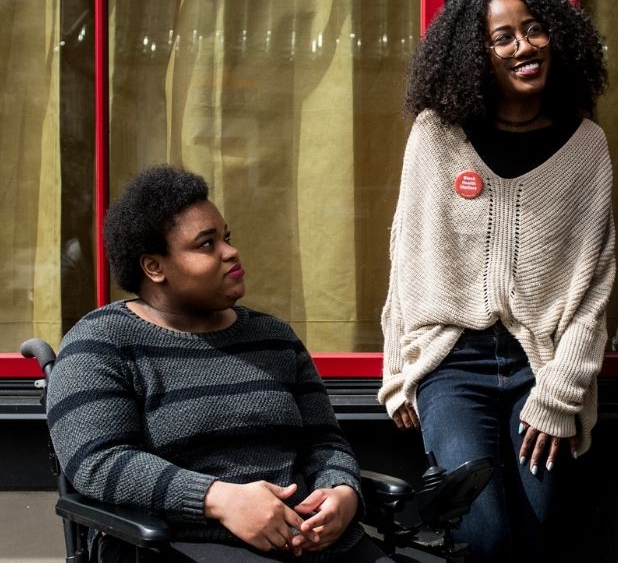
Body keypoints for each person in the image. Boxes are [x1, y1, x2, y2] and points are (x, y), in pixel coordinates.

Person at [378, 0, 616, 562]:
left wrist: (559, 395)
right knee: (484, 534)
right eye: (501, 37)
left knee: (540, 529)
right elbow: (405, 254)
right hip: (450, 365)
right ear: (474, 55)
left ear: (558, 40)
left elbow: (595, 288)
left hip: (542, 367)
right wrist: (398, 367)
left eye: (534, 30)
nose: (523, 47)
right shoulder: (436, 136)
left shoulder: (586, 147)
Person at [46, 165, 392, 563]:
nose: (230, 252)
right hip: (177, 544)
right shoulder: (101, 344)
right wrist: (218, 499)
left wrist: (342, 492)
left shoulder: (274, 338)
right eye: (206, 244)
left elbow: (324, 442)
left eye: (225, 237)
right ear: (154, 267)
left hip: (311, 541)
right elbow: (99, 462)